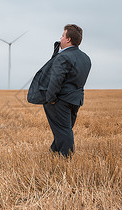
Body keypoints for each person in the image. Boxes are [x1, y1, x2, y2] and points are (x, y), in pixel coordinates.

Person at [27, 24, 92, 157]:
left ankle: (66, 160)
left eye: (62, 35)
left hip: (59, 100)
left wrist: (50, 99)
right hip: (76, 100)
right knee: (64, 130)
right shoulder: (86, 58)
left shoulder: (63, 57)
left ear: (68, 39)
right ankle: (53, 154)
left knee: (63, 131)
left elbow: (55, 80)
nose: (60, 38)